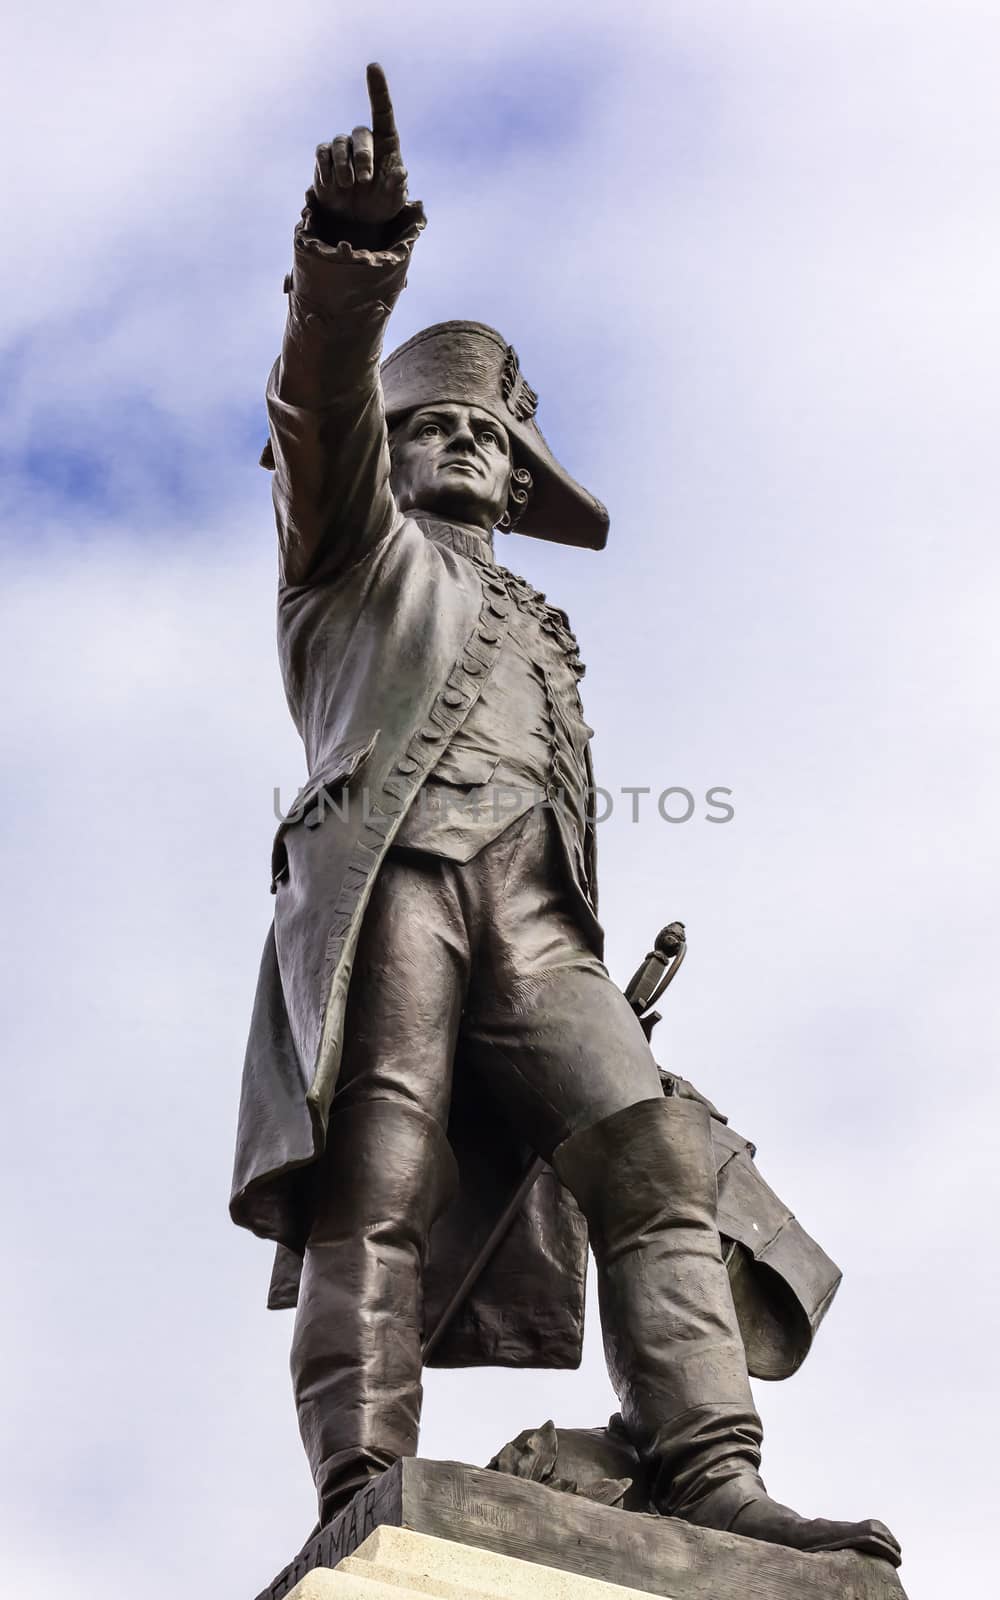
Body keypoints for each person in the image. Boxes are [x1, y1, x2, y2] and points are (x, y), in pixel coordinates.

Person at [230, 63, 900, 1566]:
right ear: (389, 456)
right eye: (436, 427)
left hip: (537, 918)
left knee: (652, 1153)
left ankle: (709, 1465)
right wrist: (351, 259)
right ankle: (363, 1479)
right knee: (381, 1176)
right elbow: (317, 397)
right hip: (393, 884)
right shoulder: (342, 562)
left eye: (490, 437)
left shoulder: (541, 622)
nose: (465, 446)